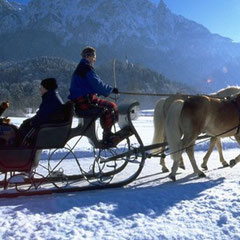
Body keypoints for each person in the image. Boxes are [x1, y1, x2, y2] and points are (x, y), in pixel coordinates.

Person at [68, 46, 119, 142]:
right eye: (91, 56)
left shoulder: (82, 68)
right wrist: (111, 90)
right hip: (85, 101)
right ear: (87, 56)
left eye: (93, 56)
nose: (93, 58)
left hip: (81, 100)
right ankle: (107, 135)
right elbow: (98, 84)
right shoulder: (86, 68)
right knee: (110, 107)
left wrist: (96, 91)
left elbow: (88, 86)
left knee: (110, 106)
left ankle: (107, 133)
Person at [18, 78, 64, 145]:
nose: (40, 89)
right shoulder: (52, 97)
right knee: (25, 125)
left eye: (41, 87)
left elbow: (43, 115)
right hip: (48, 123)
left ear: (46, 87)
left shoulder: (50, 99)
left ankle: (21, 149)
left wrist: (32, 122)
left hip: (45, 126)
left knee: (24, 131)